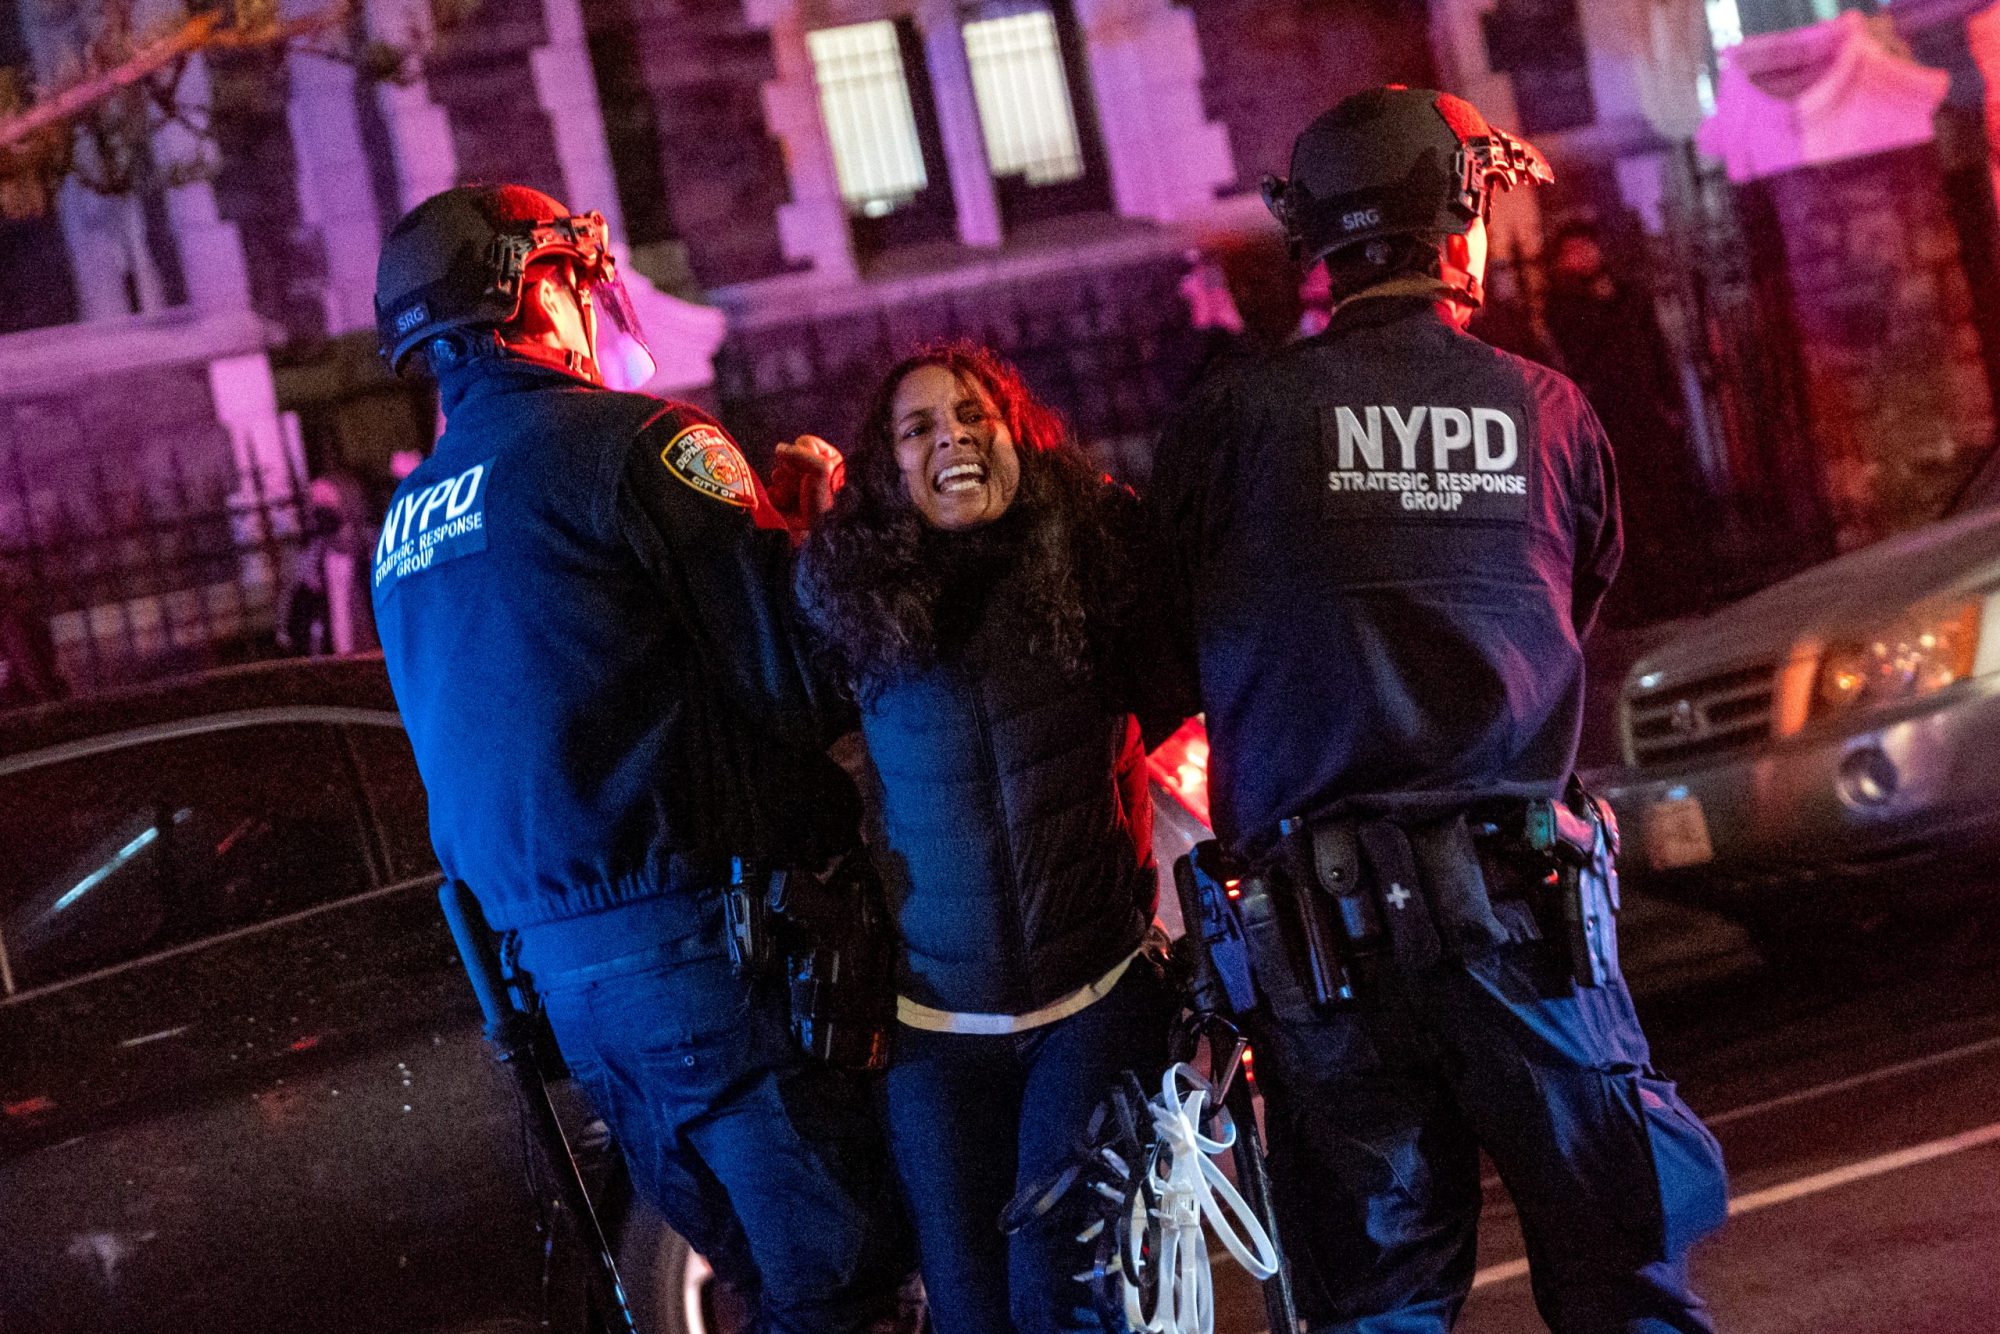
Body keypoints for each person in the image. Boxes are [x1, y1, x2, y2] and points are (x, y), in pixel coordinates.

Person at [1146, 89, 1728, 1333]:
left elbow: (1164, 644)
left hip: (1319, 960)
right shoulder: (1549, 409)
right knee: (1621, 1277)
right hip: (1528, 936)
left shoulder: (1230, 423)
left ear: (1313, 236)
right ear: (1457, 213)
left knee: (1375, 1309)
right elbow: (1582, 588)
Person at [368, 183, 906, 1333]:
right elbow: (802, 682)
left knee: (769, 1296)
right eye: (577, 280)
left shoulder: (405, 525)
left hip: (573, 993)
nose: (594, 308)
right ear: (533, 290)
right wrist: (811, 531)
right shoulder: (641, 443)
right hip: (717, 956)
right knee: (851, 1292)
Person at [795, 345, 1182, 1334]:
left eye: (974, 415)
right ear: (886, 466)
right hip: (936, 1036)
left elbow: (1191, 684)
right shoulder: (849, 601)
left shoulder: (1093, 561)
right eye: (917, 427)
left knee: (1054, 1293)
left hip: (1090, 1007)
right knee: (970, 1314)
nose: (951, 437)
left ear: (1017, 434)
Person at [1543, 219, 1709, 622]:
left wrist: (1670, 401)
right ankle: (1641, 598)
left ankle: (1682, 583)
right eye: (1574, 251)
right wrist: (1600, 305)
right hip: (1608, 420)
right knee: (1625, 510)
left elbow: (1654, 348)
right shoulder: (1563, 305)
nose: (1584, 257)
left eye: (1588, 247)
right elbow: (1580, 352)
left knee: (1665, 501)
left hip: (1644, 414)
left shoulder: (1628, 293)